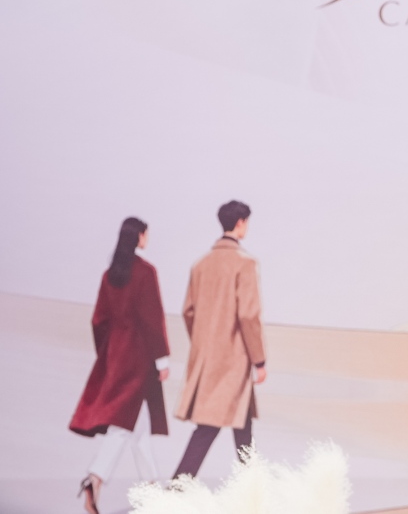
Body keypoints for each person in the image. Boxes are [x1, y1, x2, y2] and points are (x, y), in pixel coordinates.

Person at [70, 217, 171, 514]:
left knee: (135, 426)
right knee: (124, 427)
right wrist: (162, 359)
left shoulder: (109, 275)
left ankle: (152, 487)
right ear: (139, 236)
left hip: (115, 355)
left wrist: (107, 352)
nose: (147, 238)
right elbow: (152, 320)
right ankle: (95, 478)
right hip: (139, 358)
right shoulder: (146, 273)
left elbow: (98, 320)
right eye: (146, 234)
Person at [172, 200, 266, 479]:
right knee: (211, 427)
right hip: (234, 358)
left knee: (239, 425)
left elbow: (188, 311)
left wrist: (204, 341)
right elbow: (248, 315)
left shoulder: (201, 264)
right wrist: (259, 360)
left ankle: (250, 486)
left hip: (208, 357)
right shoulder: (245, 264)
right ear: (240, 223)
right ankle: (178, 488)